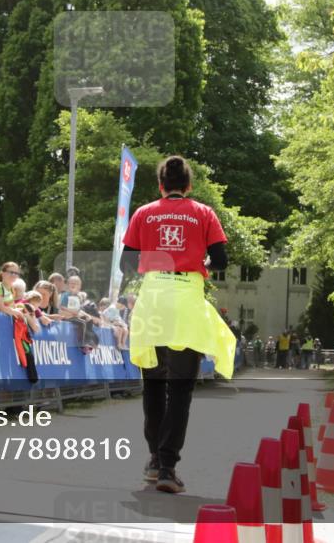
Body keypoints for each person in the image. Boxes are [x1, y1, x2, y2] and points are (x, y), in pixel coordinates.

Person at [121, 155, 232, 494]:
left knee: (153, 383)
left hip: (153, 297)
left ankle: (154, 459)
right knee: (180, 388)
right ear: (188, 186)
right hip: (186, 300)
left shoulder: (143, 213)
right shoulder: (203, 213)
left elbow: (126, 263)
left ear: (160, 185)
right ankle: (168, 466)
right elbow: (222, 260)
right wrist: (199, 260)